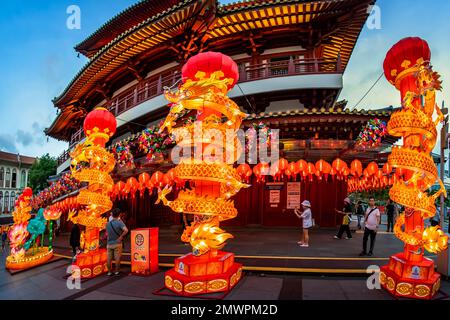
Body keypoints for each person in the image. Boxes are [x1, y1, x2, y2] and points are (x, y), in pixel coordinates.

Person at [106, 208, 128, 276]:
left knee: (109, 259)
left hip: (109, 244)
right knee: (117, 258)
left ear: (112, 214)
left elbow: (107, 233)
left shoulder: (107, 223)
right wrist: (121, 236)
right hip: (117, 243)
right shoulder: (119, 222)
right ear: (119, 215)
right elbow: (126, 230)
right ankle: (117, 271)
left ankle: (109, 272)